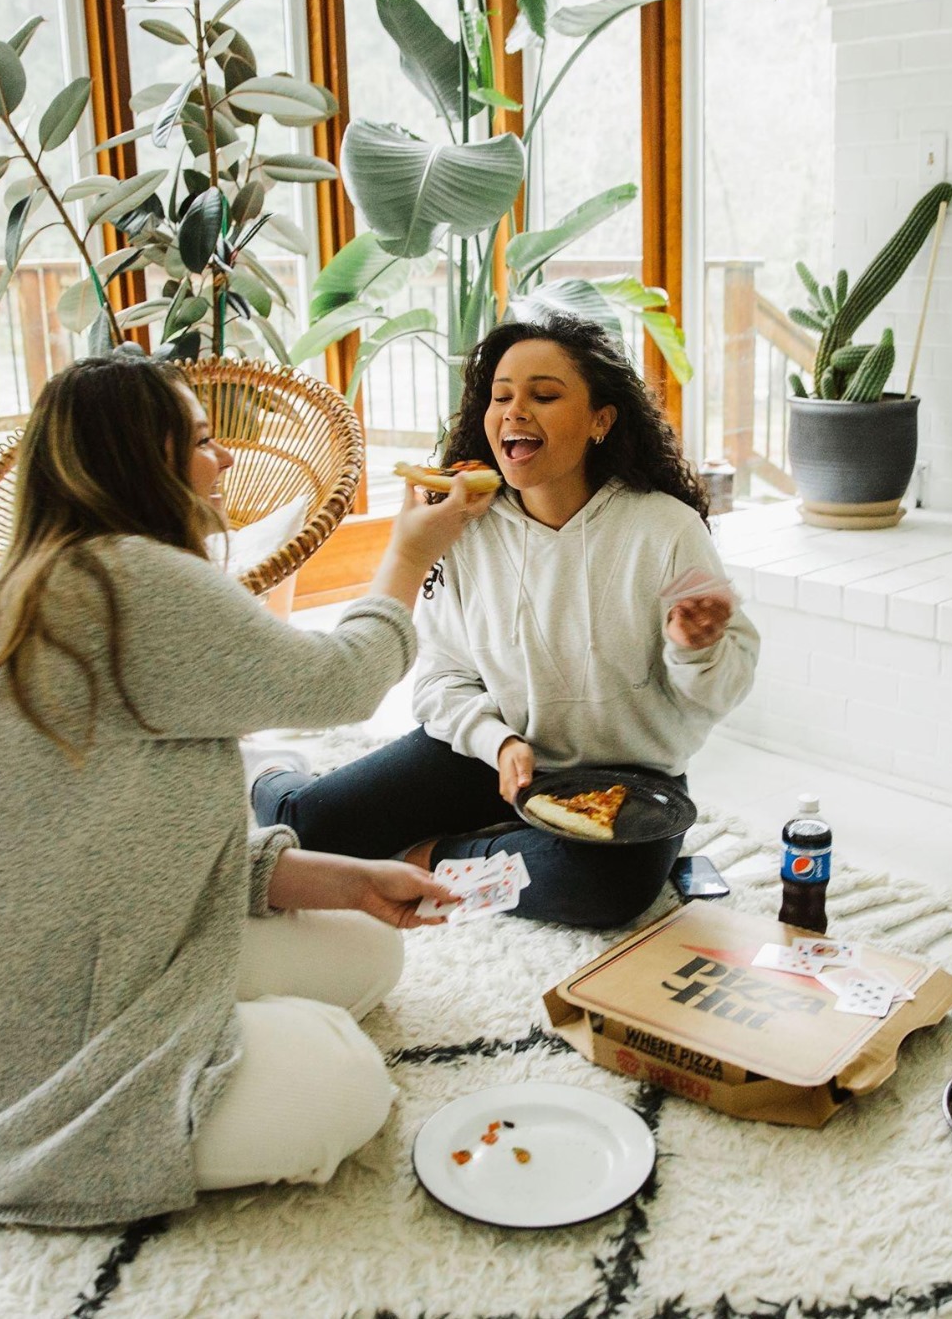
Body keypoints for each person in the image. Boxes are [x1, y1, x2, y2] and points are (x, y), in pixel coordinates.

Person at [0, 355, 493, 1227]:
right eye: (200, 441)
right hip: (10, 1081)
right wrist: (409, 552)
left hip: (13, 1003)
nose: (224, 458)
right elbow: (343, 682)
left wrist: (349, 881)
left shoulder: (43, 577)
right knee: (345, 1079)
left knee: (368, 950)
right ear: (140, 460)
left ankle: (221, 1022)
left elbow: (135, 853)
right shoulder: (128, 581)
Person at [253, 316, 760, 928]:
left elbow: (718, 693)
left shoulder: (666, 529)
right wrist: (497, 741)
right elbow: (440, 680)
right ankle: (272, 774)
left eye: (544, 395)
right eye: (500, 396)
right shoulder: (463, 524)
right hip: (491, 759)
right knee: (307, 828)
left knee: (605, 890)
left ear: (600, 421)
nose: (515, 411)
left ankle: (433, 856)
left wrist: (697, 649)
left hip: (627, 779)